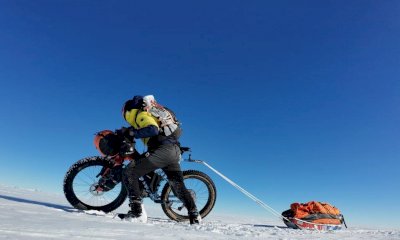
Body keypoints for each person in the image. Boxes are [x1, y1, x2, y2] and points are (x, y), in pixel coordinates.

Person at [117, 95, 201, 224]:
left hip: (162, 150)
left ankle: (137, 213)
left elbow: (153, 130)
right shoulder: (152, 114)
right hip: (173, 151)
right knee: (178, 186)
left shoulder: (141, 115)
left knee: (130, 172)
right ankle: (194, 215)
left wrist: (131, 133)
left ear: (128, 112)